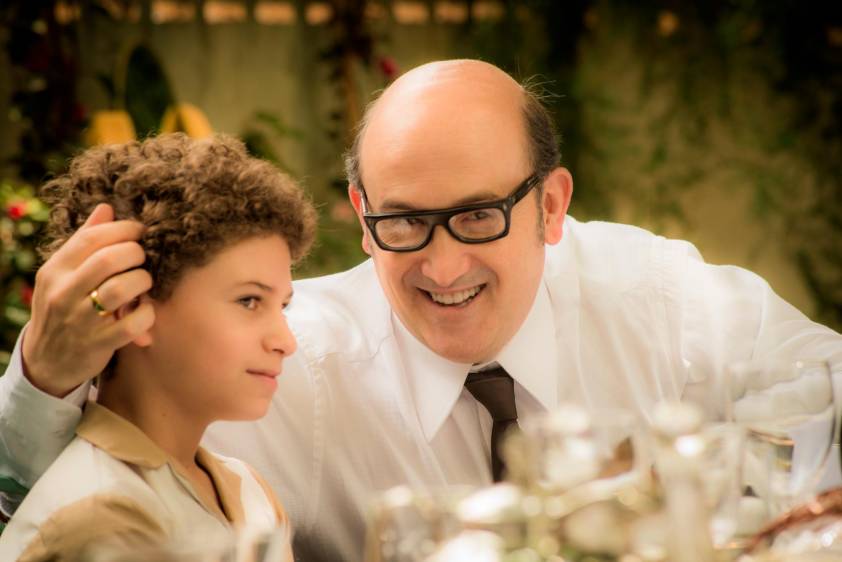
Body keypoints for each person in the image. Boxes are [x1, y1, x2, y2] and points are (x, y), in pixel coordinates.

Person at [1, 60, 840, 562]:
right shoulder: (282, 362)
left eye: (477, 216)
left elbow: (826, 397)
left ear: (551, 206)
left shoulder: (664, 302)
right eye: (403, 223)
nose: (441, 266)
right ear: (362, 215)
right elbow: (73, 506)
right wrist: (44, 377)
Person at [0, 133, 316, 561]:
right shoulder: (97, 521)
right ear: (131, 307)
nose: (285, 342)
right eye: (248, 301)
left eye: (283, 306)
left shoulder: (247, 489)